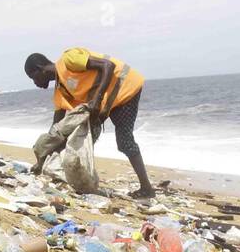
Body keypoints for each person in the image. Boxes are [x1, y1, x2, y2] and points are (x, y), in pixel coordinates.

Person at [24, 48, 153, 198]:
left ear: (40, 69)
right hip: (109, 101)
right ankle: (80, 178)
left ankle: (147, 188)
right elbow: (57, 129)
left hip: (126, 88)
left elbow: (108, 66)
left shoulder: (69, 60)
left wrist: (97, 100)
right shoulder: (61, 90)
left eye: (33, 77)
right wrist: (42, 158)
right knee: (77, 140)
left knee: (125, 141)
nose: (35, 83)